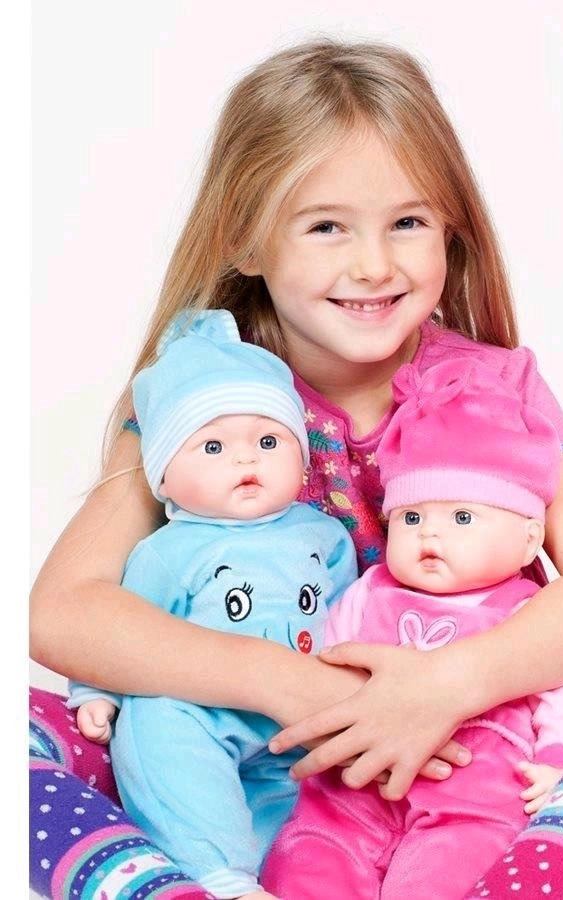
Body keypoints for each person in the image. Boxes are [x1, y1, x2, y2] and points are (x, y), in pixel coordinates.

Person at [29, 38, 563, 900]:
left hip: (469, 742)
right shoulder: (206, 397)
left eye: (408, 222)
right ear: (245, 239)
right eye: (326, 226)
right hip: (270, 757)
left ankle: (523, 865)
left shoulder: (487, 391)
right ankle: (197, 881)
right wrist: (289, 683)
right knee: (27, 748)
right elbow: (64, 612)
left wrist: (448, 684)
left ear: (451, 228)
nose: (373, 265)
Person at [262, 357, 563, 898]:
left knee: (453, 871)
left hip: (470, 799)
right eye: (412, 517)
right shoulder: (369, 591)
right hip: (354, 787)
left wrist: (559, 761)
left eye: (462, 518)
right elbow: (326, 660)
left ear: (528, 541)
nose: (429, 535)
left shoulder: (527, 611)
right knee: (308, 855)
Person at [67, 308, 358, 899]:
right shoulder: (169, 550)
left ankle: (295, 877)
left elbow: (354, 612)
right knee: (158, 728)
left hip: (304, 711)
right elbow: (121, 629)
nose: (246, 460)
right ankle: (217, 873)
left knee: (301, 803)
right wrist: (95, 691)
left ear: (302, 459)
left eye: (269, 442)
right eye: (213, 446)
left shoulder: (324, 535)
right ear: (164, 479)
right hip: (203, 709)